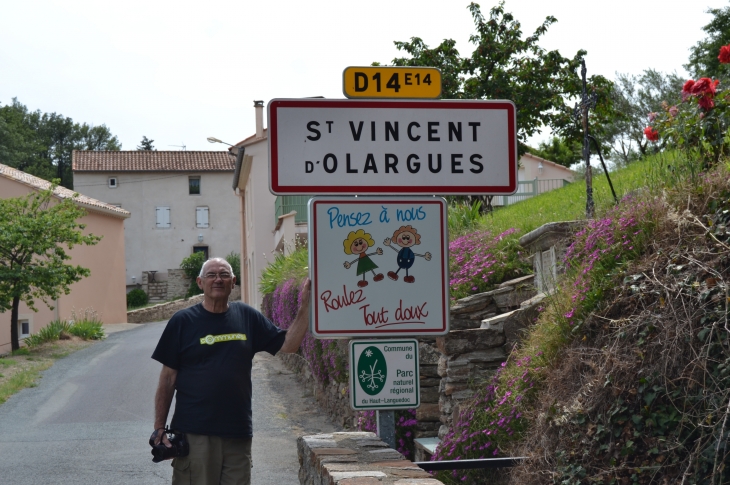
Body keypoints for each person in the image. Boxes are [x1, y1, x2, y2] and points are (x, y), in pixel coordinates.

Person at [150, 257, 310, 485]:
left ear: (233, 281)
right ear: (200, 282)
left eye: (224, 275)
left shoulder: (247, 316)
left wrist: (305, 306)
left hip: (238, 433)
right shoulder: (182, 322)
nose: (218, 279)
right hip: (196, 433)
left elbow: (289, 345)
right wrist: (159, 428)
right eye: (211, 275)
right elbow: (167, 379)